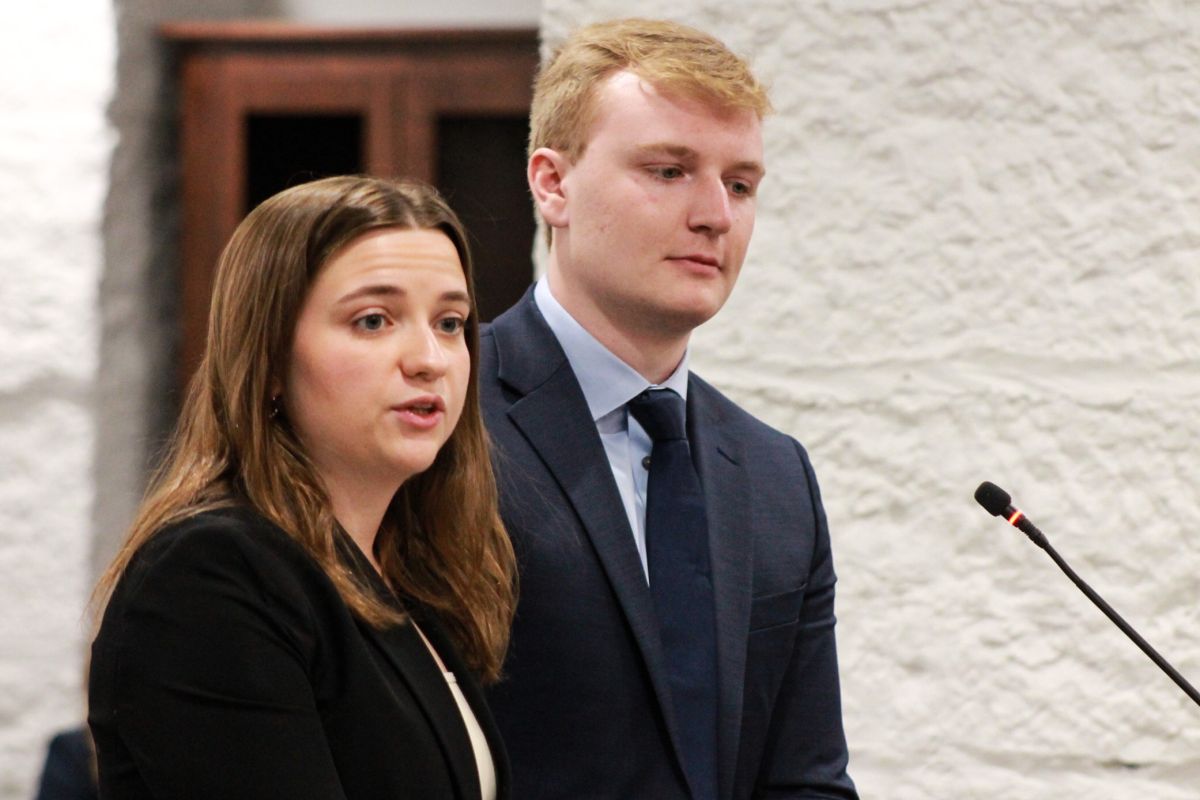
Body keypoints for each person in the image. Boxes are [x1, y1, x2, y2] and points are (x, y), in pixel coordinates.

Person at [480, 18, 858, 800]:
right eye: (668, 171)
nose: (715, 215)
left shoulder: (774, 472)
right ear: (553, 184)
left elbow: (806, 777)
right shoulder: (446, 413)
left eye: (741, 183)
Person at [88, 176, 516, 800]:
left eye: (450, 322)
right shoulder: (212, 572)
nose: (430, 358)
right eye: (373, 321)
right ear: (268, 361)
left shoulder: (405, 572)